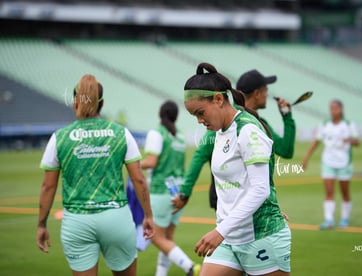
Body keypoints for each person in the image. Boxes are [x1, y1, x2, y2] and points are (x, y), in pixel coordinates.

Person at [37, 74, 155, 276]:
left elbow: (48, 186)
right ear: (102, 103)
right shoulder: (121, 133)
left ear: (75, 101)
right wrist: (148, 215)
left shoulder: (59, 138)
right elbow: (138, 179)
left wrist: (41, 224)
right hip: (115, 217)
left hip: (77, 221)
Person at [183, 62, 291, 276]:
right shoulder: (220, 131)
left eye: (201, 112)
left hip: (261, 236)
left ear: (219, 99)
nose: (199, 120)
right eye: (194, 115)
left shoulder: (248, 130)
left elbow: (261, 189)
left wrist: (219, 231)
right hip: (229, 238)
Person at [175, 69, 295, 212]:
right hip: (227, 201)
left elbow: (285, 151)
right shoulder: (223, 123)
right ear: (257, 93)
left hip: (252, 205)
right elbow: (199, 157)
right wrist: (184, 193)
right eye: (265, 90)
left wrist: (287, 116)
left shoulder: (255, 123)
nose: (267, 94)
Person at [139, 100, 200, 276]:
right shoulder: (180, 136)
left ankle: (190, 267)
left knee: (156, 238)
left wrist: (131, 163)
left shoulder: (157, 134)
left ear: (160, 114)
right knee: (167, 239)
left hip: (161, 191)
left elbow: (151, 161)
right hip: (178, 192)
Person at [302, 100, 360, 229]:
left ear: (341, 110)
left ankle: (345, 218)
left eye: (335, 108)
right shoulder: (325, 124)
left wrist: (350, 140)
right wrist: (306, 157)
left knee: (345, 192)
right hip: (328, 161)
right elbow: (316, 141)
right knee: (329, 191)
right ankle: (329, 220)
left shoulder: (348, 124)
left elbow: (357, 142)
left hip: (344, 162)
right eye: (331, 108)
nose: (333, 111)